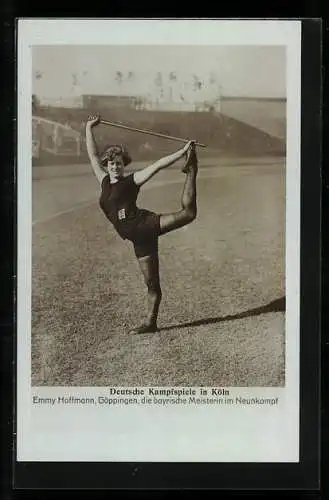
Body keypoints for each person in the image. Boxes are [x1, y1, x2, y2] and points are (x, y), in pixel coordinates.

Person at [85, 113, 198, 334]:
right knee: (152, 285)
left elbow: (157, 166)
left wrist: (183, 152)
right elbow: (92, 154)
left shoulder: (131, 181)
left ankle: (192, 169)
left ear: (123, 165)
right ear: (106, 165)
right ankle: (150, 323)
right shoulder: (104, 181)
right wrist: (89, 127)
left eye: (118, 163)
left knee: (188, 214)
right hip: (138, 240)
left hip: (146, 225)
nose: (115, 167)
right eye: (111, 163)